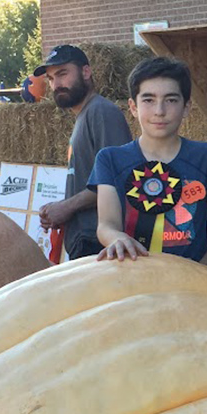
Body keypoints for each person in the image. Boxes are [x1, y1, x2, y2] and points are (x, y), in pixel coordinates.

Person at [92, 57, 207, 263]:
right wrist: (117, 238)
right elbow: (106, 225)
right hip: (131, 278)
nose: (159, 111)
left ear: (187, 107)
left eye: (171, 100)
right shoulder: (109, 159)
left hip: (191, 283)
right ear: (133, 107)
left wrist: (202, 270)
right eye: (148, 100)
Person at [33, 45, 133, 261]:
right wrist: (59, 210)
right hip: (88, 239)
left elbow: (118, 180)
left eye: (62, 74)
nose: (56, 84)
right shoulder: (85, 115)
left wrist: (66, 207)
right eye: (50, 79)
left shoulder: (102, 112)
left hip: (101, 242)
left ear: (86, 72)